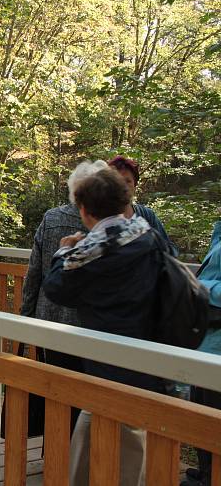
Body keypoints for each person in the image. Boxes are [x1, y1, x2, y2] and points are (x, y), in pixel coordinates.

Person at [42, 168, 169, 486]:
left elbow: (57, 286)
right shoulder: (147, 235)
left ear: (84, 211)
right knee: (101, 426)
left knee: (125, 440)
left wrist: (65, 250)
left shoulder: (90, 251)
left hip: (110, 359)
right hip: (148, 353)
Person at [20, 160, 108, 435]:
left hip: (50, 318)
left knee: (58, 387)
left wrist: (27, 314)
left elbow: (34, 271)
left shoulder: (52, 218)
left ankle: (56, 455)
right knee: (89, 393)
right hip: (89, 324)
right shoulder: (103, 224)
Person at [183, 218, 221, 486]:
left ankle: (211, 477)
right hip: (206, 340)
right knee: (200, 407)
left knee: (213, 414)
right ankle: (205, 468)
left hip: (217, 345)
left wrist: (195, 287)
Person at [107, 155, 177, 255]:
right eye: (118, 181)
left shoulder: (147, 215)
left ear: (135, 186)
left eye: (128, 181)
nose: (123, 186)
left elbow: (171, 249)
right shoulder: (100, 217)